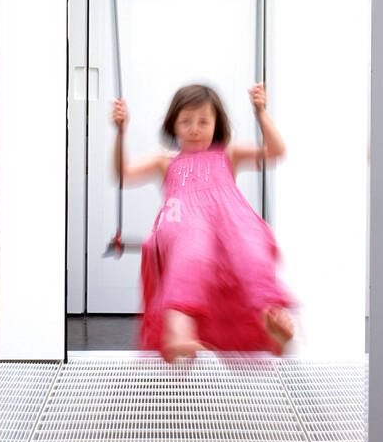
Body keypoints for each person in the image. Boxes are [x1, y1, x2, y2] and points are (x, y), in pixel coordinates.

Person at [111, 82, 297, 363]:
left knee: (251, 252)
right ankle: (179, 332)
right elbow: (123, 174)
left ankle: (271, 317)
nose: (194, 129)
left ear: (216, 125)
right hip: (182, 223)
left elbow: (276, 151)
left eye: (203, 121)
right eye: (185, 121)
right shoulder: (165, 161)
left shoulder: (228, 154)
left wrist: (261, 112)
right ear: (173, 125)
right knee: (191, 254)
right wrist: (121, 133)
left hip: (230, 224)